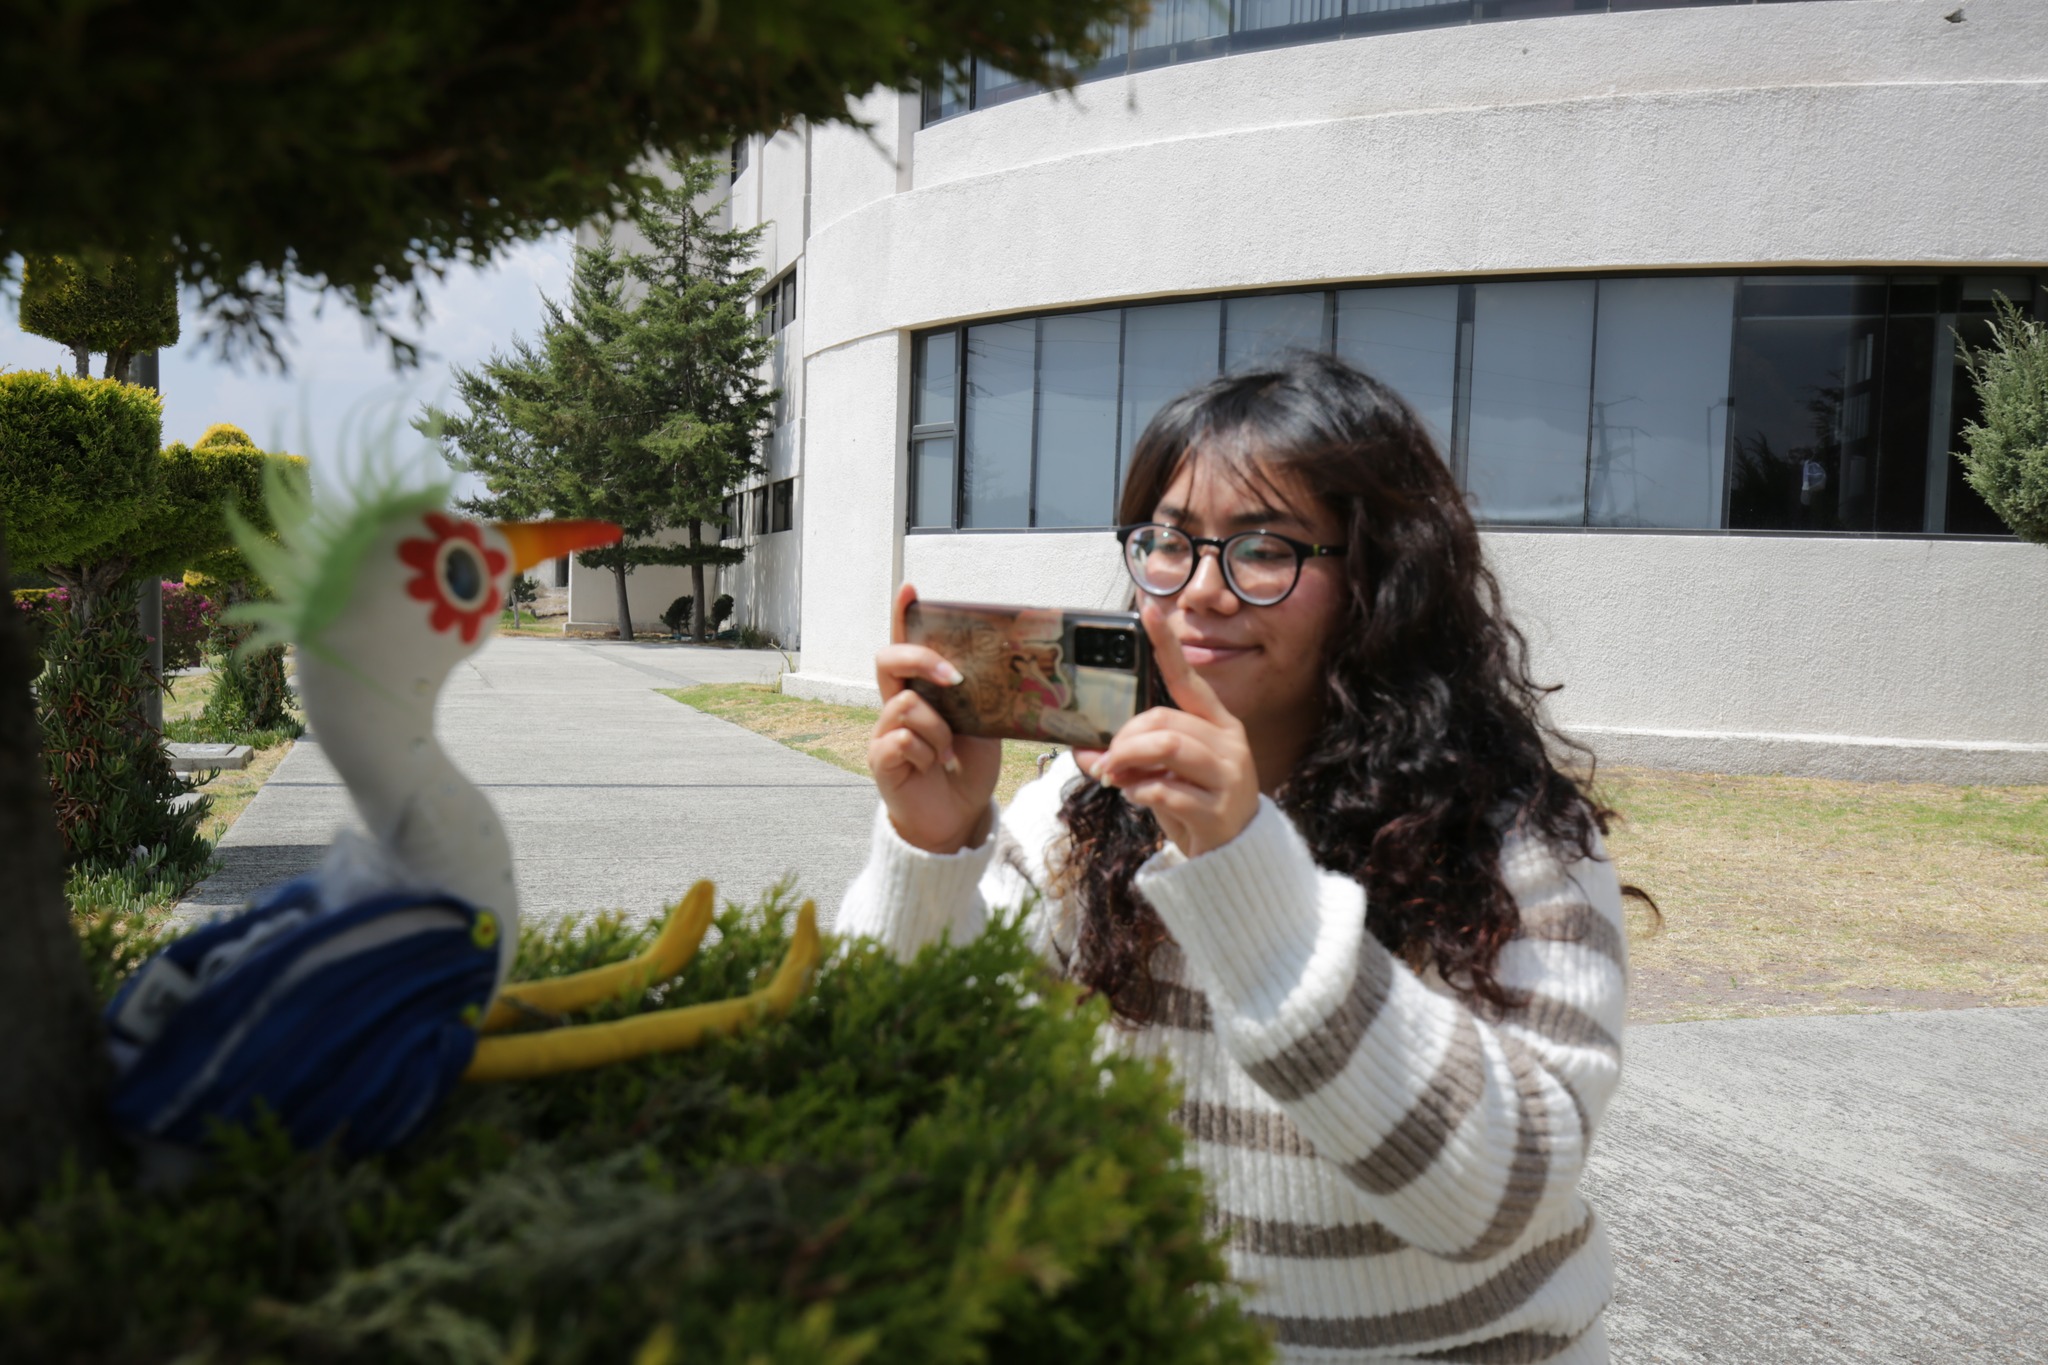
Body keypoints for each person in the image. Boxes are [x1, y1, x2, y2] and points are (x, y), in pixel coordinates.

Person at [839, 352, 1632, 1364]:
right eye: (1168, 543)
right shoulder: (1082, 812)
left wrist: (1240, 868)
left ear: (1379, 577)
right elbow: (892, 1090)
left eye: (1264, 549)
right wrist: (932, 847)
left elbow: (1496, 1198)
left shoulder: (1511, 842)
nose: (1202, 592)